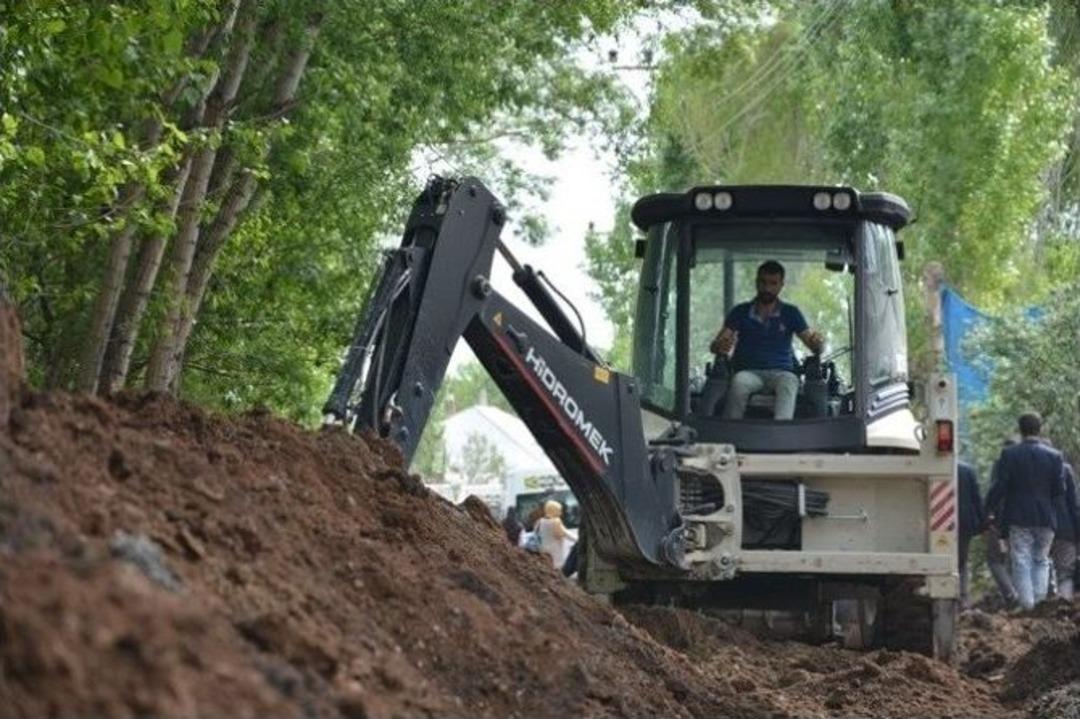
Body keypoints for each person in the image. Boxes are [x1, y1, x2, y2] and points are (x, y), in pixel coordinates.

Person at [711, 260, 824, 420]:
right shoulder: (740, 312)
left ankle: (782, 435)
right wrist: (720, 345)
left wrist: (817, 343)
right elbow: (718, 343)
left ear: (781, 285)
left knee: (790, 382)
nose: (767, 288)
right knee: (738, 383)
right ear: (757, 282)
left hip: (781, 373)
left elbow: (811, 342)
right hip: (748, 372)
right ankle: (730, 433)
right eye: (763, 282)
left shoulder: (791, 313)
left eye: (773, 283)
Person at [985, 413, 1066, 610]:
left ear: (1020, 430)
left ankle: (1028, 605)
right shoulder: (1055, 456)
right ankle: (1039, 603)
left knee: (1021, 558)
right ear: (1040, 429)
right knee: (1041, 559)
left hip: (1019, 515)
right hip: (1046, 516)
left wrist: (988, 506)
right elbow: (1060, 489)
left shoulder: (1010, 454)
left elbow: (1000, 485)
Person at [985, 440, 1019, 608]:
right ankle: (1022, 595)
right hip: (1023, 520)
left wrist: (988, 514)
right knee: (1018, 558)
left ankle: (1011, 594)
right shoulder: (1026, 465)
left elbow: (996, 490)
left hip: (1000, 520)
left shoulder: (1000, 465)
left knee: (995, 559)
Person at [957, 460, 985, 608]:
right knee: (962, 560)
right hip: (964, 521)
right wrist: (983, 522)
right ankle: (962, 596)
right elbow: (976, 498)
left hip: (937, 519)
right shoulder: (968, 470)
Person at [1051, 462, 1080, 600]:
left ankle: (1039, 605)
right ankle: (1064, 603)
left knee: (1038, 566)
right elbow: (1074, 505)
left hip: (1028, 527)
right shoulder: (1065, 469)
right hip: (1064, 528)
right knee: (1065, 572)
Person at [535, 499, 572, 569]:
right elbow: (566, 533)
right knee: (556, 569)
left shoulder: (540, 521)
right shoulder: (556, 522)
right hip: (555, 551)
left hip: (543, 550)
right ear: (554, 510)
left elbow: (535, 533)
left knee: (547, 568)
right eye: (559, 510)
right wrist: (578, 540)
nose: (560, 513)